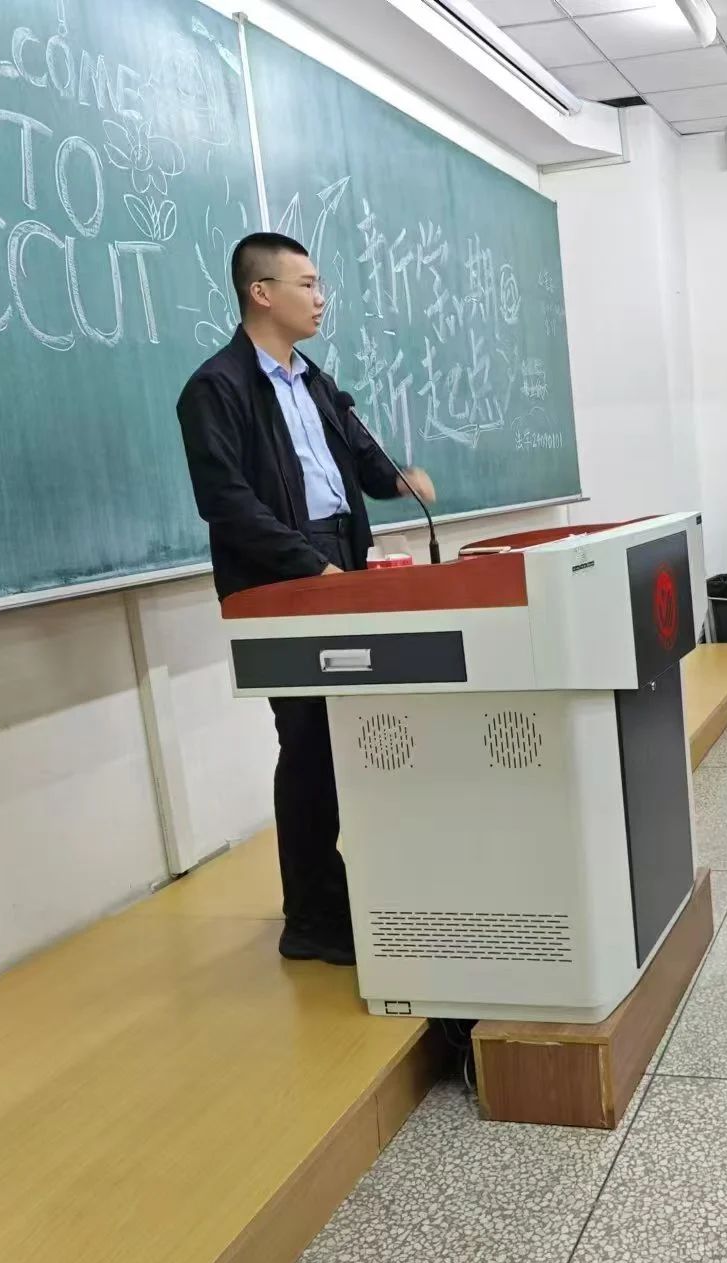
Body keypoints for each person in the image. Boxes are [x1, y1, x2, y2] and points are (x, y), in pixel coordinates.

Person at [177, 231, 437, 966]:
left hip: (337, 563)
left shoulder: (315, 383)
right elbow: (226, 502)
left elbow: (362, 464)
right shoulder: (217, 388)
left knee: (352, 734)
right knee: (310, 739)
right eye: (308, 284)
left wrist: (400, 481)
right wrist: (307, 566)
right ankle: (311, 917)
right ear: (262, 293)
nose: (321, 298)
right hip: (280, 579)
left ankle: (347, 891)